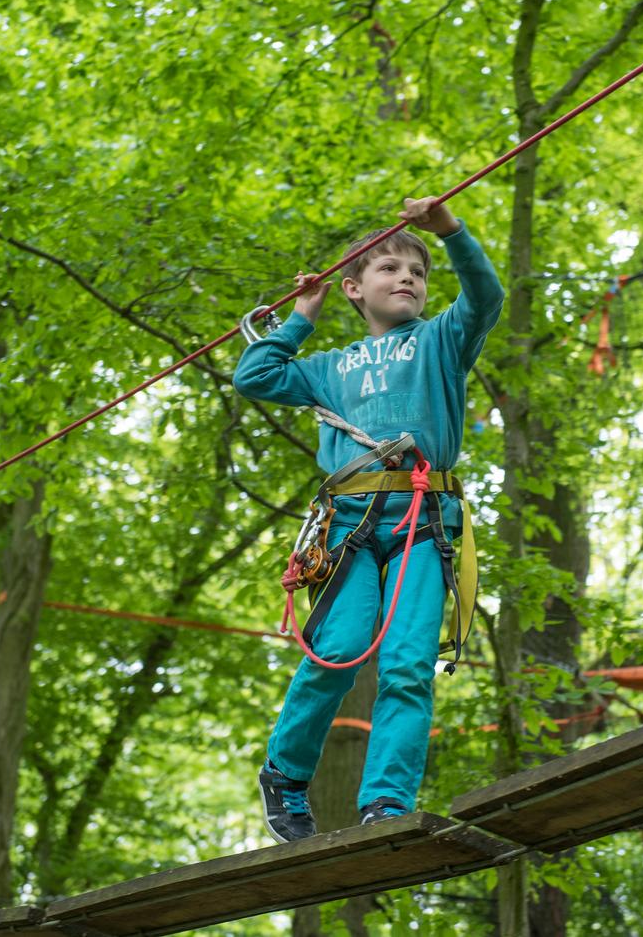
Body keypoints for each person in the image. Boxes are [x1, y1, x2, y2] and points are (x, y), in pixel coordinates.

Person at [233, 196, 503, 841]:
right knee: (337, 649)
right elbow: (255, 375)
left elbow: (485, 296)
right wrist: (302, 316)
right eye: (388, 268)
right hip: (351, 523)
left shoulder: (441, 340)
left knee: (409, 664)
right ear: (355, 287)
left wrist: (451, 232)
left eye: (417, 271)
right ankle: (287, 774)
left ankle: (386, 801)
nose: (406, 278)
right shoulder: (328, 369)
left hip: (422, 516)